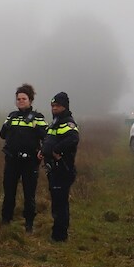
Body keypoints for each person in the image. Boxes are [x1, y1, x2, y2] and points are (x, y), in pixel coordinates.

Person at [0, 83, 47, 232]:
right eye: (18, 98)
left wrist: (37, 131)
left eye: (24, 98)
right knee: (9, 191)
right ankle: (6, 220)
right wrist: (7, 125)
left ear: (30, 100)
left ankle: (29, 224)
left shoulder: (38, 117)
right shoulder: (11, 116)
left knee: (29, 193)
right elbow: (2, 135)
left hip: (30, 162)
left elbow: (47, 137)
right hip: (12, 160)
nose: (20, 101)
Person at [39, 91, 80, 242]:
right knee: (56, 202)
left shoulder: (68, 122)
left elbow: (73, 139)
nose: (54, 108)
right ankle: (56, 232)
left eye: (57, 106)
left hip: (63, 169)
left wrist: (57, 150)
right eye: (52, 105)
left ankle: (60, 236)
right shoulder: (54, 123)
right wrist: (43, 152)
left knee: (61, 204)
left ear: (64, 106)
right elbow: (49, 140)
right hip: (53, 169)